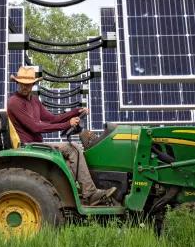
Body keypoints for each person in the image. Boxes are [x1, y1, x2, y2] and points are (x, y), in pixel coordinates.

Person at [7, 66, 116, 205]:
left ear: (33, 84)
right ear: (17, 83)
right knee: (74, 149)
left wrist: (76, 111)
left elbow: (51, 118)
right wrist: (67, 125)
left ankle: (68, 190)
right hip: (28, 146)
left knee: (72, 154)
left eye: (28, 84)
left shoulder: (34, 100)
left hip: (36, 144)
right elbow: (35, 127)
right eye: (22, 84)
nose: (24, 87)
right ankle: (90, 193)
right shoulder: (14, 102)